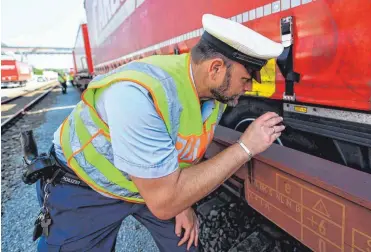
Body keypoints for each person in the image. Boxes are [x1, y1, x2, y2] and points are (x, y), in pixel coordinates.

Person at [35, 13, 285, 251]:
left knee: (185, 243)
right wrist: (245, 147)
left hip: (151, 182)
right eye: (246, 78)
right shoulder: (138, 96)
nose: (250, 86)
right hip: (87, 189)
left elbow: (181, 149)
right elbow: (164, 203)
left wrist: (182, 203)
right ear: (216, 68)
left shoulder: (214, 93)